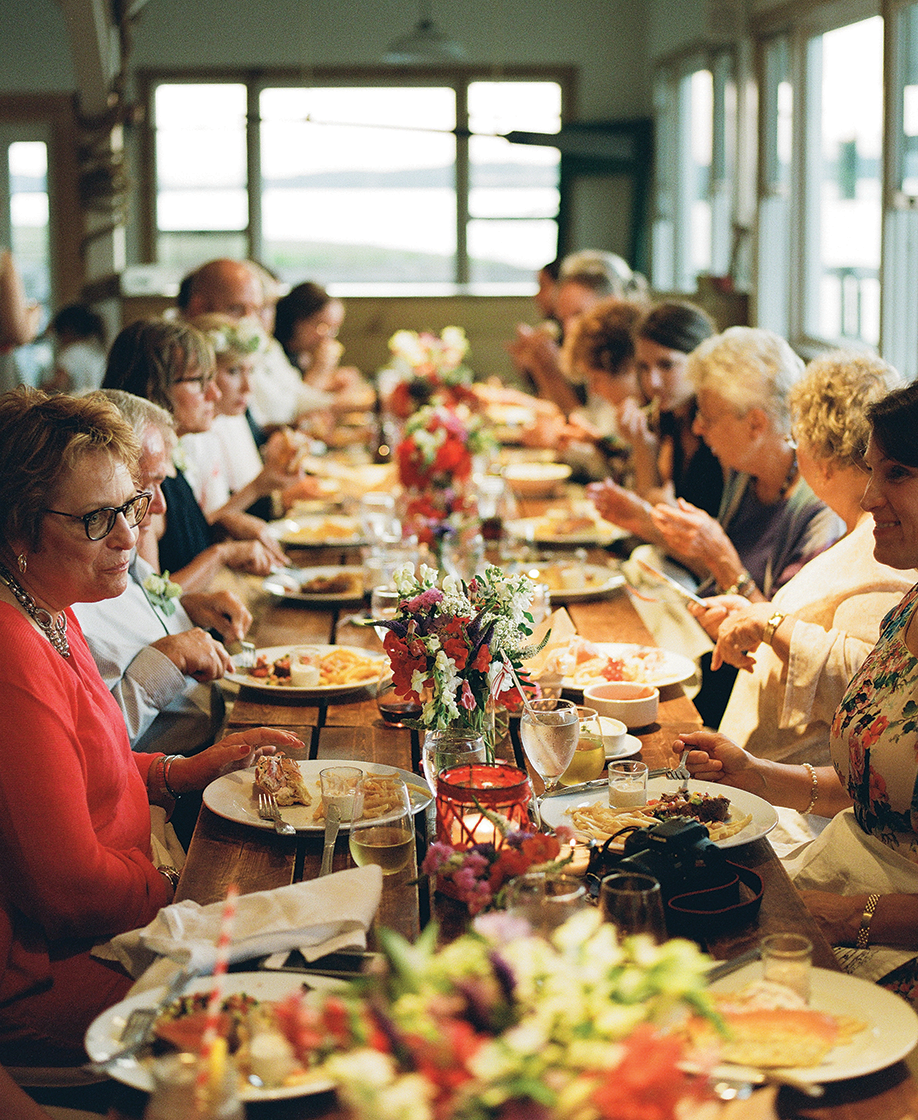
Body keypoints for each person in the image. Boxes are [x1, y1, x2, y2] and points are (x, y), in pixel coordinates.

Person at [0, 387, 301, 1066]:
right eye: (97, 518)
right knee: (280, 1001)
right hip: (51, 966)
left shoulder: (49, 604)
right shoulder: (11, 652)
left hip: (119, 904)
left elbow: (80, 761)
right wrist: (180, 890)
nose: (128, 537)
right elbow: (68, 892)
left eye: (129, 508)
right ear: (18, 529)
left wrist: (176, 773)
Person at [672, 381, 918, 1004]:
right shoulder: (909, 606)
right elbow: (889, 789)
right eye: (870, 470)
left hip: (893, 934)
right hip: (841, 880)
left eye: (898, 473)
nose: (869, 497)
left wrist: (851, 916)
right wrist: (763, 778)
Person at [687, 350, 912, 766]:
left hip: (795, 799)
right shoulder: (864, 533)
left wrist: (769, 621)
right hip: (762, 774)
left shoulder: (889, 546)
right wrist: (757, 616)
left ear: (821, 459)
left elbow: (871, 678)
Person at [645, 327, 843, 726]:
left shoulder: (820, 510)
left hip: (760, 701)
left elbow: (788, 647)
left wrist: (721, 558)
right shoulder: (744, 474)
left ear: (756, 424)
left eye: (708, 416)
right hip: (718, 663)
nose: (698, 428)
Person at [101, 317, 287, 589]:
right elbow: (153, 599)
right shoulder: (137, 477)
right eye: (200, 382)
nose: (214, 393)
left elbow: (178, 544)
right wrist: (221, 555)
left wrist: (220, 525)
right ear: (154, 388)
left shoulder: (173, 454)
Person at [588, 300, 722, 533]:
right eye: (643, 367)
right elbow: (647, 513)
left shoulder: (722, 425)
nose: (653, 382)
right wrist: (642, 444)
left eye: (667, 365)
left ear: (702, 359)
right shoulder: (668, 418)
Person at [182, 312, 314, 524]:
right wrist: (258, 487)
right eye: (233, 371)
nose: (248, 387)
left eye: (250, 371)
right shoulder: (188, 437)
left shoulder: (226, 421)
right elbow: (194, 537)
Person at [40, 303, 106, 394]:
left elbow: (58, 383)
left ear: (67, 331)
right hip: (97, 404)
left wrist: (37, 393)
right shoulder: (96, 351)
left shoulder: (70, 353)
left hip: (76, 405)